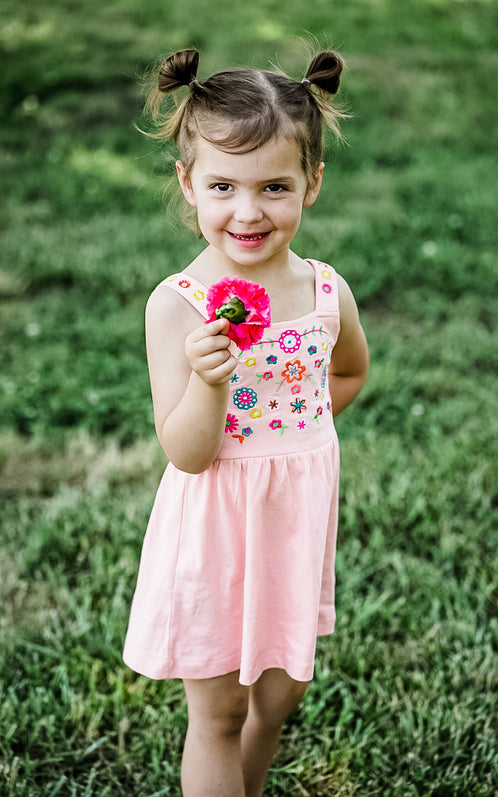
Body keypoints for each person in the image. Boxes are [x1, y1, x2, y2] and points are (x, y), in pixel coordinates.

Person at [123, 47, 369, 797]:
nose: (248, 210)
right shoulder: (180, 305)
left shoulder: (325, 290)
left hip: (291, 528)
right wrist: (208, 381)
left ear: (311, 185)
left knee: (279, 697)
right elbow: (188, 452)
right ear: (187, 184)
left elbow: (350, 371)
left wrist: (300, 433)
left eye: (274, 187)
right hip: (216, 534)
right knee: (220, 712)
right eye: (223, 186)